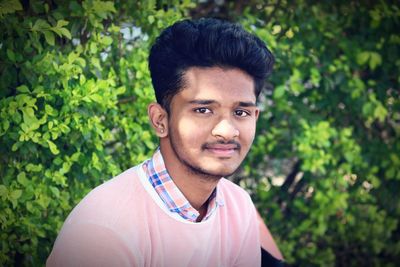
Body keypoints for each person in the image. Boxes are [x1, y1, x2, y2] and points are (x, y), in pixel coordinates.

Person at [47, 17, 282, 266]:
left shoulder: (238, 206)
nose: (227, 131)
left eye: (241, 112)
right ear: (160, 120)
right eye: (203, 110)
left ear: (255, 116)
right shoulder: (104, 230)